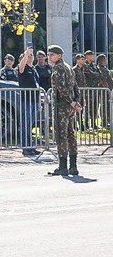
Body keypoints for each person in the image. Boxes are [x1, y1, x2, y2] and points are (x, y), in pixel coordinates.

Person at [47, 45, 81, 177]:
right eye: (49, 54)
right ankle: (73, 166)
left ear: (59, 56)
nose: (50, 57)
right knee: (70, 134)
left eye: (52, 55)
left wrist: (71, 101)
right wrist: (76, 101)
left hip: (62, 105)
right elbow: (75, 87)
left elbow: (62, 88)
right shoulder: (68, 67)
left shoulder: (58, 68)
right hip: (70, 107)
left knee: (61, 135)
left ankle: (63, 166)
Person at [15, 47, 42, 157]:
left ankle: (30, 146)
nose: (30, 57)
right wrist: (26, 53)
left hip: (34, 100)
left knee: (30, 125)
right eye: (27, 56)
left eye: (31, 55)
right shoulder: (23, 68)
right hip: (26, 100)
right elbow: (21, 67)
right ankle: (25, 147)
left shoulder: (33, 69)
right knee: (25, 124)